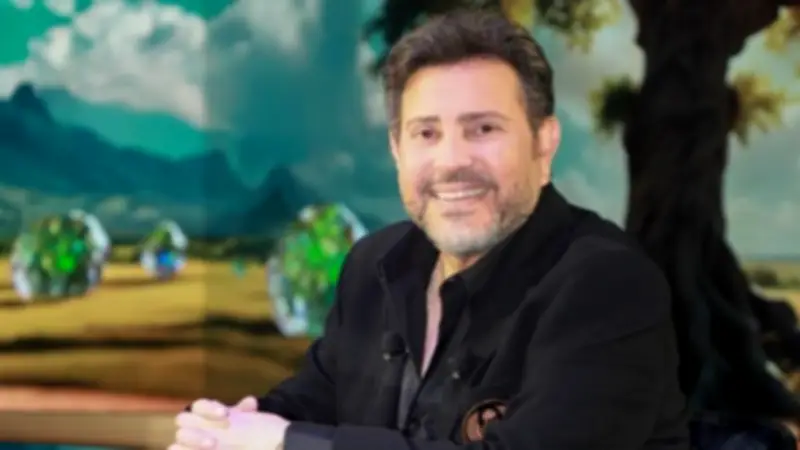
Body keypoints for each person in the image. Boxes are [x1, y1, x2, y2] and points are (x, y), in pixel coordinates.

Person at [171, 9, 689, 450]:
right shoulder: (375, 263)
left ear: (544, 143)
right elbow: (315, 398)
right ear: (397, 150)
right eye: (426, 133)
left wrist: (287, 441)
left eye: (482, 129)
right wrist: (228, 425)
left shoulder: (608, 285)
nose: (452, 161)